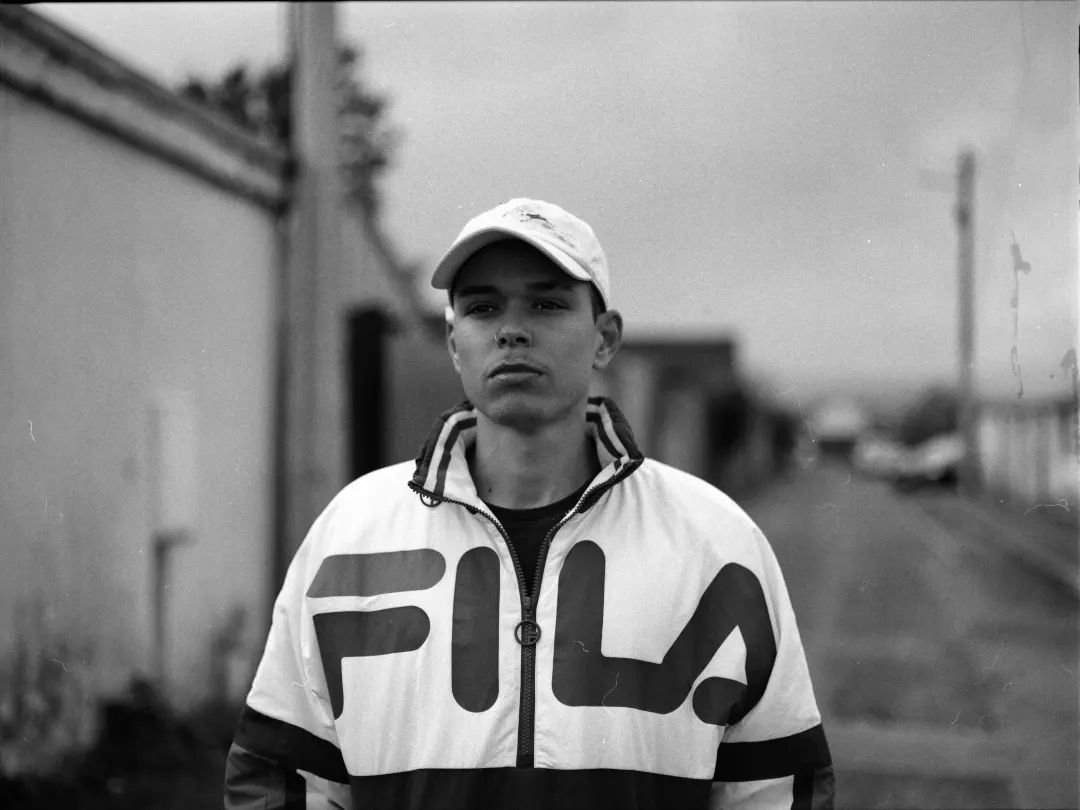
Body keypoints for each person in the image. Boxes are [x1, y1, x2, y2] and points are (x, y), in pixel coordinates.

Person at [224, 198, 834, 809]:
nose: (511, 329)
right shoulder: (353, 534)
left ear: (605, 338)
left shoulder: (714, 542)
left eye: (547, 303)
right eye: (482, 307)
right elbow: (282, 776)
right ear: (454, 341)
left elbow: (776, 786)